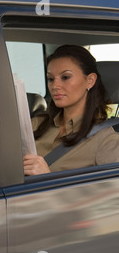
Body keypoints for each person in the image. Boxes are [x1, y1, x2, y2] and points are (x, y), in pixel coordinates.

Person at [23, 44, 119, 175]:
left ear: (90, 81)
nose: (55, 86)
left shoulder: (106, 141)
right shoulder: (35, 124)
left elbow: (110, 194)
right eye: (50, 79)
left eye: (65, 77)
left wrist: (46, 177)